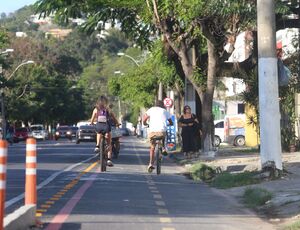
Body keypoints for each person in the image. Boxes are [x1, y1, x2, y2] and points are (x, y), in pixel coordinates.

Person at [143, 100, 173, 172]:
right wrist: (169, 124)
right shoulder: (164, 111)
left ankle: (150, 164)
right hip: (161, 132)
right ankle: (163, 148)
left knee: (152, 148)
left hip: (152, 132)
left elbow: (144, 118)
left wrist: (145, 124)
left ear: (155, 105)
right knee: (164, 134)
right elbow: (170, 121)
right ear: (162, 105)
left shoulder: (151, 109)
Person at [90, 96, 119, 167]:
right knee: (109, 144)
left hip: (99, 126)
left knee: (98, 133)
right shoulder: (108, 109)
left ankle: (97, 146)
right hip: (106, 127)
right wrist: (117, 123)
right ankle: (109, 159)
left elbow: (92, 119)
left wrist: (92, 123)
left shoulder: (96, 109)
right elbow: (114, 118)